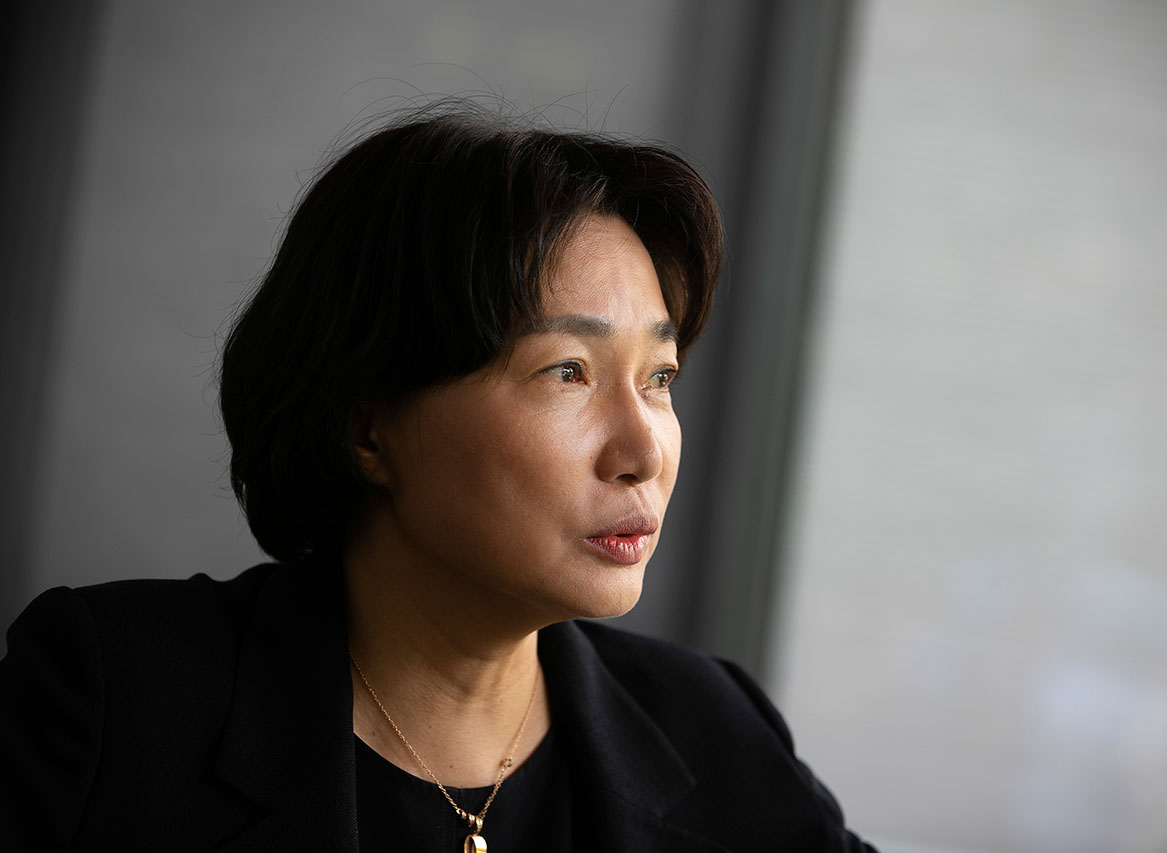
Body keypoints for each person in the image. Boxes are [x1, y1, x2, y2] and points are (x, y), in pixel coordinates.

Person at [0, 104, 876, 852]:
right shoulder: (117, 702)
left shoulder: (712, 730)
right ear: (368, 426)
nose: (643, 451)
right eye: (568, 371)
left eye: (659, 377)